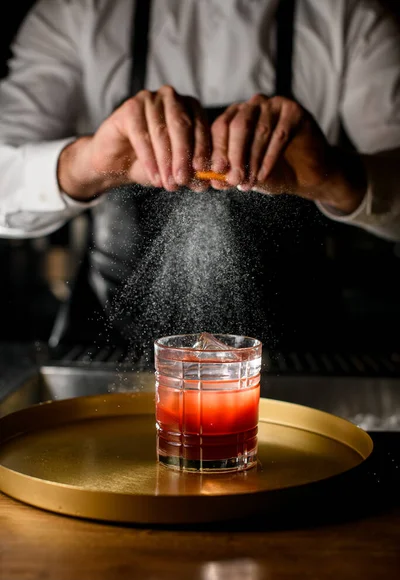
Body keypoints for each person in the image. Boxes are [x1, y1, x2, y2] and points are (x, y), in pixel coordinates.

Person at [0, 0, 399, 353]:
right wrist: (87, 162)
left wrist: (334, 176)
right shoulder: (77, 11)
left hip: (304, 351)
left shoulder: (347, 15)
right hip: (109, 347)